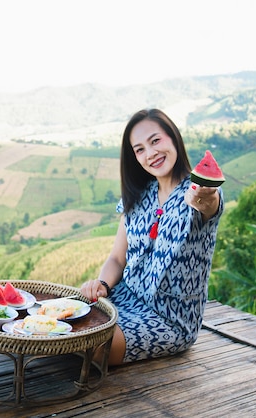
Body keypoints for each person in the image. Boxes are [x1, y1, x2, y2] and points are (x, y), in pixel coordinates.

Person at [80, 108, 223, 365]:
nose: (151, 154)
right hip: (121, 299)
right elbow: (116, 258)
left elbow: (209, 201)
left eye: (155, 141)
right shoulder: (137, 195)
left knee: (92, 348)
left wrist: (204, 195)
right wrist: (102, 284)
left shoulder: (197, 196)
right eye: (140, 149)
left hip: (169, 320)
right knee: (58, 324)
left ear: (173, 138)